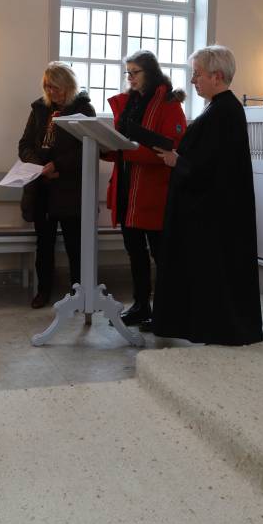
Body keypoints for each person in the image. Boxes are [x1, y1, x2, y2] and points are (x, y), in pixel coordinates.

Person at [152, 45, 263, 346]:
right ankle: (207, 327)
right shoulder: (220, 108)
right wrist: (182, 159)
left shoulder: (224, 111)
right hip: (213, 209)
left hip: (215, 213)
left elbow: (212, 166)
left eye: (197, 74)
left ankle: (216, 329)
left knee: (214, 275)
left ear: (216, 76)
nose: (192, 81)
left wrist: (178, 161)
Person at [105, 50, 186, 326]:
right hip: (128, 189)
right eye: (127, 72)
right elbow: (123, 141)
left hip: (154, 191)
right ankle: (141, 305)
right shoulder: (131, 103)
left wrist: (124, 152)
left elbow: (171, 149)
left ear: (149, 72)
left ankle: (170, 309)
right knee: (134, 251)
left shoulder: (168, 102)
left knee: (160, 254)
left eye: (134, 72)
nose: (129, 78)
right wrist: (104, 147)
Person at [18, 62, 96, 309]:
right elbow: (25, 144)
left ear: (68, 85)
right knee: (44, 243)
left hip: (70, 187)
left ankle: (79, 294)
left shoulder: (83, 109)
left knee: (75, 244)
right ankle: (44, 291)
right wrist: (39, 166)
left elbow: (86, 148)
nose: (51, 92)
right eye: (47, 87)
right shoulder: (40, 108)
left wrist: (56, 165)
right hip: (42, 186)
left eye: (55, 87)